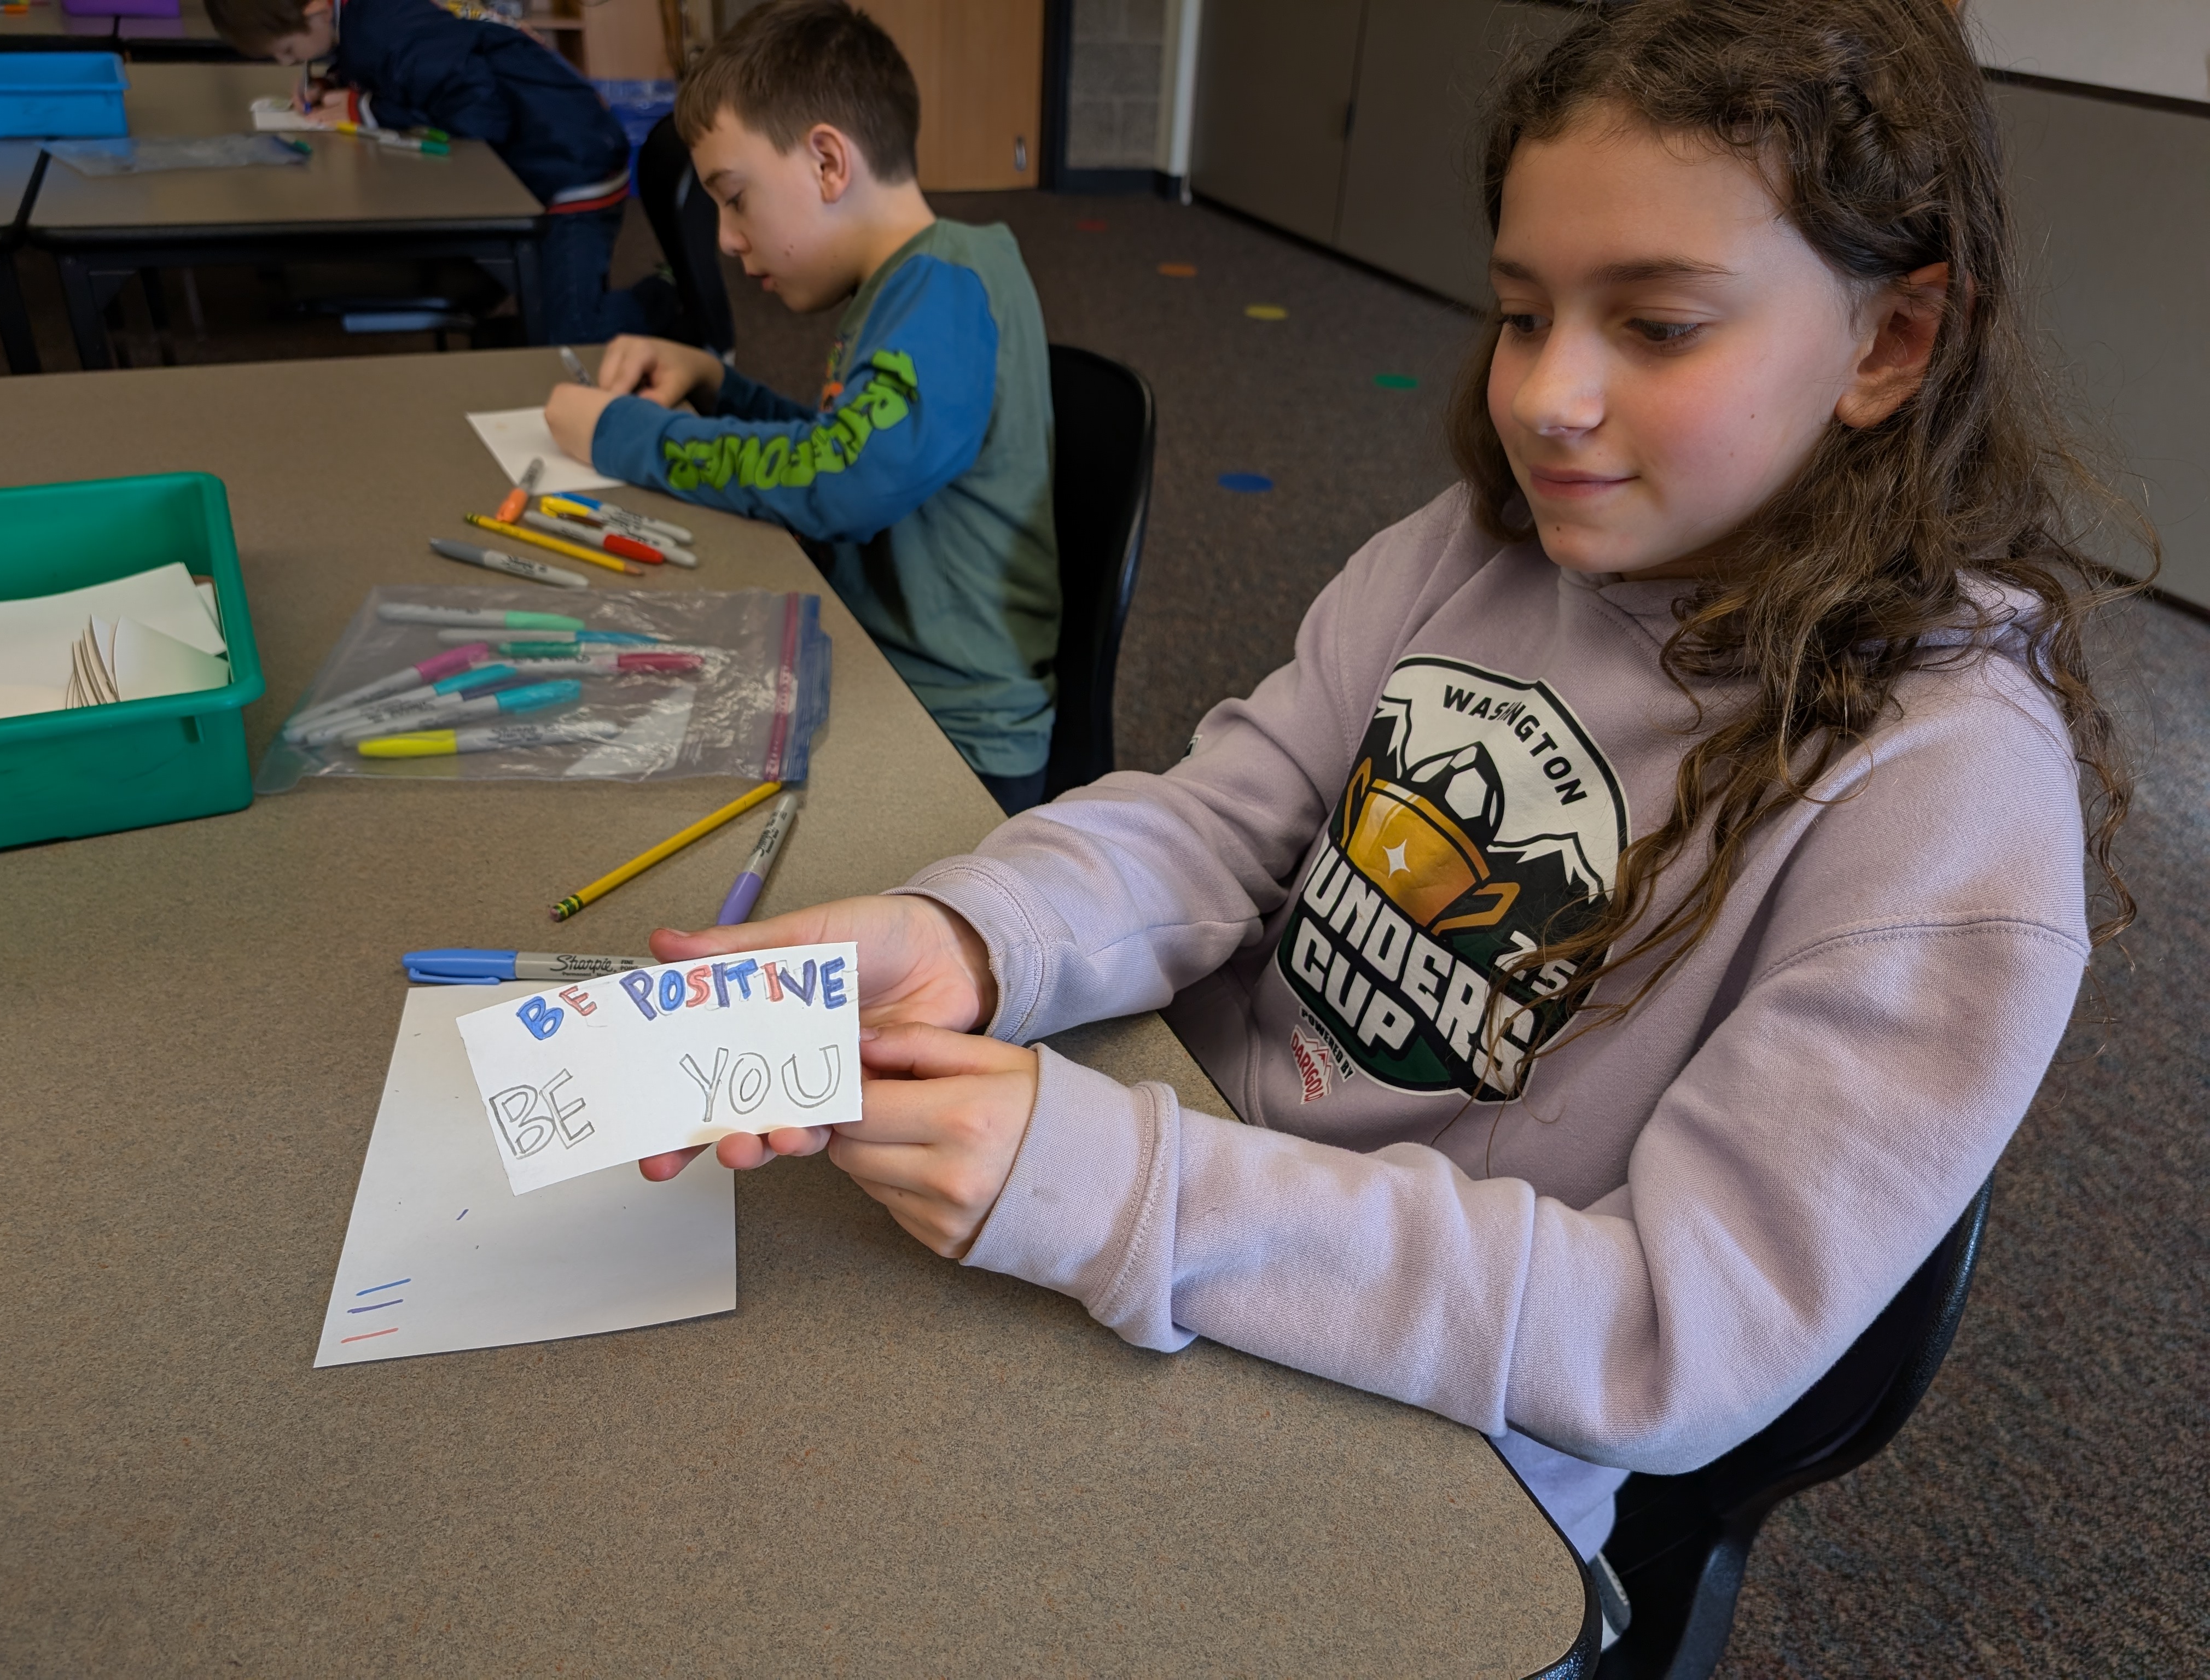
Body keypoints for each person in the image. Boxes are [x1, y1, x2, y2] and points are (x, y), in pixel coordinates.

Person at [636, 0, 2145, 1638]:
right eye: (1519, 312)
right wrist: (966, 935)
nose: (1546, 398)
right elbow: (1216, 818)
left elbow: (1663, 1335)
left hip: (1427, 1457)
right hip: (1146, 1210)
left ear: (1888, 344)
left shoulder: (1943, 803)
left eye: (1653, 324)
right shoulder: (1472, 551)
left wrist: (1130, 1191)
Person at [543, 0, 1061, 815]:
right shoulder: (913, 283)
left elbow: (841, 484)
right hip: (887, 672)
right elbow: (844, 444)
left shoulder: (945, 291)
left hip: (951, 741)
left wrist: (622, 435)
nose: (724, 238)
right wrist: (716, 386)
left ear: (827, 162)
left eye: (735, 197)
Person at [203, 0, 655, 346]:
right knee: (553, 310)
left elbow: (479, 112)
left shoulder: (380, 28)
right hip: (547, 152)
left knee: (574, 336)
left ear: (316, 9)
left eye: (286, 50)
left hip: (571, 164)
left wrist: (367, 108)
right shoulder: (366, 19)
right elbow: (409, 70)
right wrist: (336, 85)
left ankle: (666, 301)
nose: (287, 63)